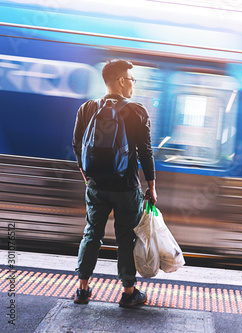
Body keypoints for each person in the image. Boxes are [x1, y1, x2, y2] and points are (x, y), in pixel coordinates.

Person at [72, 59, 157, 307]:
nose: (132, 84)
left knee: (91, 234)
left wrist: (86, 176)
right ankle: (129, 292)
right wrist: (151, 186)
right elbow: (146, 152)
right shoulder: (137, 110)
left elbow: (77, 145)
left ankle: (82, 289)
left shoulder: (87, 108)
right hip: (126, 187)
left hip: (96, 186)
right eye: (131, 79)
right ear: (121, 81)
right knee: (126, 239)